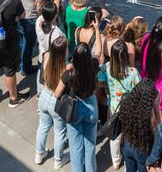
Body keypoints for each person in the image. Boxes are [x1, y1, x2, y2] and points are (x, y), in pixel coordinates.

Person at [55, 42, 99, 172]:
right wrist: (97, 30)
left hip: (74, 109)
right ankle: (91, 168)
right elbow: (98, 53)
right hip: (91, 105)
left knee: (75, 144)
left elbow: (57, 93)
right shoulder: (94, 67)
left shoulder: (69, 74)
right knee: (90, 142)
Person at [98, 39, 142, 168]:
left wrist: (107, 88)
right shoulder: (133, 72)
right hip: (129, 109)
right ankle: (129, 163)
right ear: (125, 55)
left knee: (115, 136)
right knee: (129, 135)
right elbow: (139, 91)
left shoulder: (105, 68)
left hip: (113, 107)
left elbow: (99, 82)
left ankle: (116, 162)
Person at [36, 35, 69, 167]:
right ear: (64, 51)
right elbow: (60, 91)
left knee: (43, 127)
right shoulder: (66, 67)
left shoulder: (47, 57)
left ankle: (39, 154)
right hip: (56, 101)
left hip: (44, 96)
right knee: (59, 132)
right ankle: (58, 160)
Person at [16, 0, 48, 76]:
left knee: (20, 40)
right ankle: (25, 67)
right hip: (30, 15)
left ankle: (19, 63)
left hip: (18, 12)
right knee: (29, 43)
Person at [120, 79, 160, 172]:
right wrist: (156, 108)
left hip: (127, 144)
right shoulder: (149, 113)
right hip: (142, 149)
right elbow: (158, 131)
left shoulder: (126, 102)